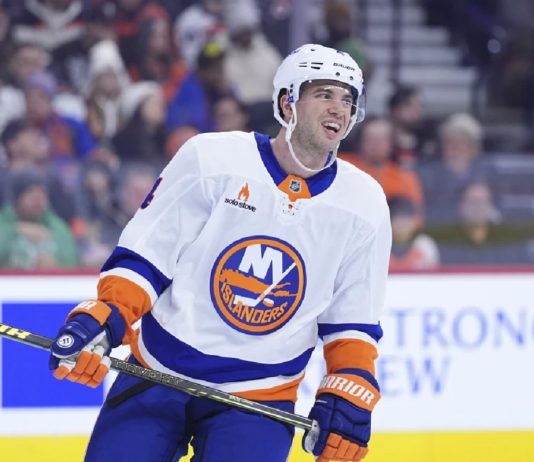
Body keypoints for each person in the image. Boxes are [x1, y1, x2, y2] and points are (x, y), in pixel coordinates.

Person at [48, 44, 391, 462]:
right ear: (288, 102)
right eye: (324, 94)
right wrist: (107, 316)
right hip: (157, 372)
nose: (339, 108)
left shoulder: (364, 203)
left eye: (347, 99)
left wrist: (351, 383)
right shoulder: (211, 158)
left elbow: (351, 319)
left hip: (260, 398)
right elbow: (148, 256)